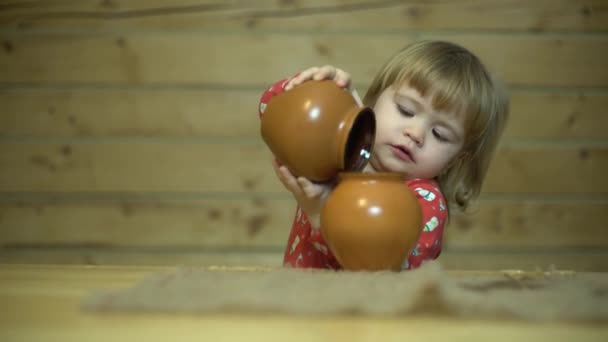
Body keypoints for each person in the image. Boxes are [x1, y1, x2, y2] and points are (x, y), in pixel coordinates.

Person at [258, 40, 510, 270]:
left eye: (440, 134)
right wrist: (316, 89)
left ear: (454, 161)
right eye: (406, 110)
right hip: (297, 310)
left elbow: (379, 268)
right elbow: (269, 109)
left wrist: (319, 214)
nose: (415, 133)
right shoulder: (338, 151)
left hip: (375, 318)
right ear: (375, 101)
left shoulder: (425, 204)